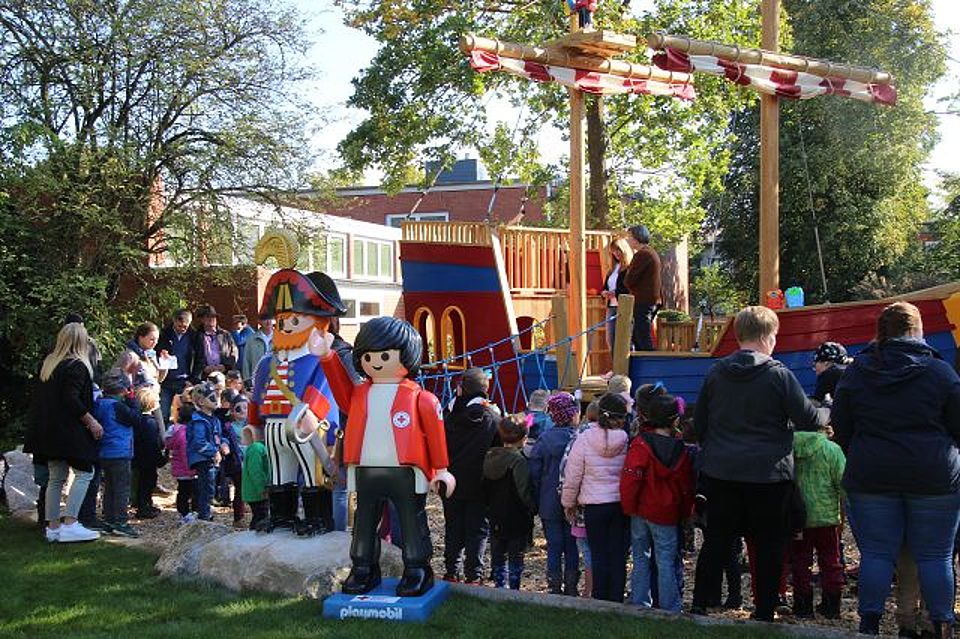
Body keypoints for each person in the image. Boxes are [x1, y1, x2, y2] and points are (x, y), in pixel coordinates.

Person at [831, 301, 960, 636]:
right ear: (917, 330)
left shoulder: (857, 371)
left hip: (872, 471)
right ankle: (941, 625)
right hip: (932, 473)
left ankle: (869, 626)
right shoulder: (940, 371)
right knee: (935, 556)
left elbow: (841, 424)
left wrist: (859, 451)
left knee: (876, 554)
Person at [691, 305, 826, 621]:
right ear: (768, 337)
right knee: (769, 544)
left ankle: (699, 603)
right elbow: (808, 419)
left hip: (722, 470)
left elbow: (699, 423)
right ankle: (764, 609)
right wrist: (826, 412)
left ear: (738, 335)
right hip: (768, 474)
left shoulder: (716, 373)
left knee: (716, 540)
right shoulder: (779, 375)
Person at [317, 316, 455, 597]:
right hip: (367, 469)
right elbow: (341, 391)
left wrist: (441, 469)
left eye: (384, 355)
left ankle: (417, 569)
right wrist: (327, 358)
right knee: (364, 523)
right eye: (368, 356)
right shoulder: (360, 394)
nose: (376, 362)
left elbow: (436, 434)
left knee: (411, 521)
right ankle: (363, 568)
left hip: (406, 471)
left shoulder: (420, 398)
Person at [24, 323, 104, 543]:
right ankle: (70, 523)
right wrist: (91, 422)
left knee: (56, 477)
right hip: (68, 431)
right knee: (85, 473)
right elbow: (71, 399)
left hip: (47, 431)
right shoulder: (76, 366)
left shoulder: (49, 364)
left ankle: (52, 527)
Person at [621, 394, 694, 613]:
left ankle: (640, 601)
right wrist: (685, 511)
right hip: (667, 512)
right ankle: (670, 606)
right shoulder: (680, 449)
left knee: (640, 557)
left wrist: (628, 506)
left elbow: (630, 479)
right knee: (665, 561)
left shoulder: (640, 444)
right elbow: (686, 486)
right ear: (675, 420)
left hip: (641, 509)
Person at [561, 393, 630, 603]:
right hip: (618, 503)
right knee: (617, 554)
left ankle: (600, 598)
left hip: (594, 505)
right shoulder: (625, 439)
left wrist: (568, 502)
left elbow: (573, 475)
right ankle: (616, 596)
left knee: (598, 553)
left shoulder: (584, 439)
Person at [441, 367, 499, 584]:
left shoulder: (448, 416)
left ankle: (451, 570)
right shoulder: (492, 418)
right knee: (477, 529)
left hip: (452, 480)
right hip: (480, 483)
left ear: (460, 390)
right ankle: (474, 574)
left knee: (453, 526)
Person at [790, 425, 846, 619]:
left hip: (798, 516)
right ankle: (832, 605)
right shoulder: (831, 449)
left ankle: (802, 605)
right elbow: (843, 482)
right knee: (831, 561)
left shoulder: (789, 448)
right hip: (826, 516)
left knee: (800, 561)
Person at [529, 391, 581, 595]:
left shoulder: (544, 439)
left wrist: (535, 500)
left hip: (549, 499)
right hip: (574, 500)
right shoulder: (578, 439)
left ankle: (554, 584)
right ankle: (571, 585)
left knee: (554, 544)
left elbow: (534, 473)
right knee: (571, 544)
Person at [482, 414, 536, 590]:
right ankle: (514, 588)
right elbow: (523, 491)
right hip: (516, 514)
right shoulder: (518, 461)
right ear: (523, 438)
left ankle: (500, 585)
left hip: (495, 512)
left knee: (498, 552)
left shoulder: (489, 456)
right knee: (515, 555)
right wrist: (532, 507)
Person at [94, 368, 140, 538]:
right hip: (119, 451)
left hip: (104, 451)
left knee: (109, 487)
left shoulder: (99, 403)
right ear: (124, 389)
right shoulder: (118, 406)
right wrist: (133, 400)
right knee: (121, 488)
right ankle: (120, 521)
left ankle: (109, 518)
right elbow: (136, 419)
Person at [187, 382, 223, 522]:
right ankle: (204, 516)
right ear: (201, 402)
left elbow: (219, 436)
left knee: (210, 487)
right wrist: (214, 452)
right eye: (212, 398)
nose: (216, 400)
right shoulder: (199, 421)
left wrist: (223, 444)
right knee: (206, 488)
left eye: (217, 396)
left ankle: (206, 513)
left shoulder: (214, 419)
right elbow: (199, 442)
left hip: (211, 459)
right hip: (204, 459)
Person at [623, 225, 662, 351]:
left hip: (643, 300)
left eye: (629, 237)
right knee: (638, 335)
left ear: (636, 238)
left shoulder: (642, 254)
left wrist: (627, 275)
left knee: (642, 336)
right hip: (650, 299)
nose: (628, 240)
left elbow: (630, 279)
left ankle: (649, 361)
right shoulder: (650, 252)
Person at [132, 386, 165, 520]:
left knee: (140, 482)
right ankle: (144, 507)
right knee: (147, 483)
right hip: (148, 459)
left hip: (137, 456)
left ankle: (143, 504)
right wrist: (160, 458)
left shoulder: (136, 419)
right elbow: (152, 444)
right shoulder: (151, 423)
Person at [158, 309, 196, 423]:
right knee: (163, 414)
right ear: (174, 321)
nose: (183, 329)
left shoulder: (194, 336)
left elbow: (199, 358)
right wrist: (161, 353)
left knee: (185, 415)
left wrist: (193, 380)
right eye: (180, 326)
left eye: (185, 326)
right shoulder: (164, 334)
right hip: (166, 380)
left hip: (185, 381)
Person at [165, 389, 197, 524]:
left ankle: (185, 513)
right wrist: (191, 469)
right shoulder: (185, 434)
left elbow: (168, 444)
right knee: (187, 492)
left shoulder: (174, 430)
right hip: (187, 469)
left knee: (183, 491)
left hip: (180, 469)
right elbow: (185, 454)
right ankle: (186, 513)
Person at [601, 237, 634, 353]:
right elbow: (605, 287)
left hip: (624, 307)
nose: (616, 253)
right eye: (614, 251)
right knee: (610, 340)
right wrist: (604, 293)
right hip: (612, 307)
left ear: (624, 249)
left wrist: (616, 293)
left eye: (618, 250)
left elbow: (630, 287)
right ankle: (614, 364)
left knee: (625, 340)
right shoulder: (612, 269)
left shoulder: (630, 268)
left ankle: (628, 364)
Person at [192, 304, 238, 378]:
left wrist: (226, 366)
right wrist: (203, 367)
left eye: (213, 317)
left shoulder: (225, 334)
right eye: (208, 317)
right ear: (202, 319)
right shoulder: (196, 336)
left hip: (224, 375)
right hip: (203, 376)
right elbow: (193, 356)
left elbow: (234, 352)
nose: (211, 319)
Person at [241, 424, 270, 531]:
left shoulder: (258, 447)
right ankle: (254, 535)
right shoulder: (257, 448)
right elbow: (255, 471)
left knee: (259, 514)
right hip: (256, 492)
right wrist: (262, 488)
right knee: (260, 515)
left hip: (255, 490)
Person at [240, 316, 274, 383]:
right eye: (264, 319)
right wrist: (247, 379)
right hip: (257, 378)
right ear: (259, 321)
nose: (268, 321)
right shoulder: (252, 339)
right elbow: (246, 360)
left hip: (276, 377)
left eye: (270, 318)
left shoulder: (280, 338)